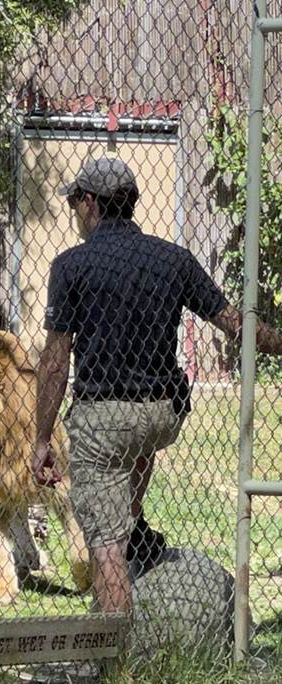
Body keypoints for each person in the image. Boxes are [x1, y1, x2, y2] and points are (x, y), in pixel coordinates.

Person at [32, 157, 282, 614]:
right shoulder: (173, 259)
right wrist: (277, 342)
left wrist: (42, 438)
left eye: (74, 203)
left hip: (104, 417)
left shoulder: (70, 265)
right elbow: (235, 324)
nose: (74, 213)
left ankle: (115, 643)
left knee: (104, 543)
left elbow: (54, 362)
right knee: (135, 450)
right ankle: (131, 520)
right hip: (162, 412)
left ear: (90, 203)